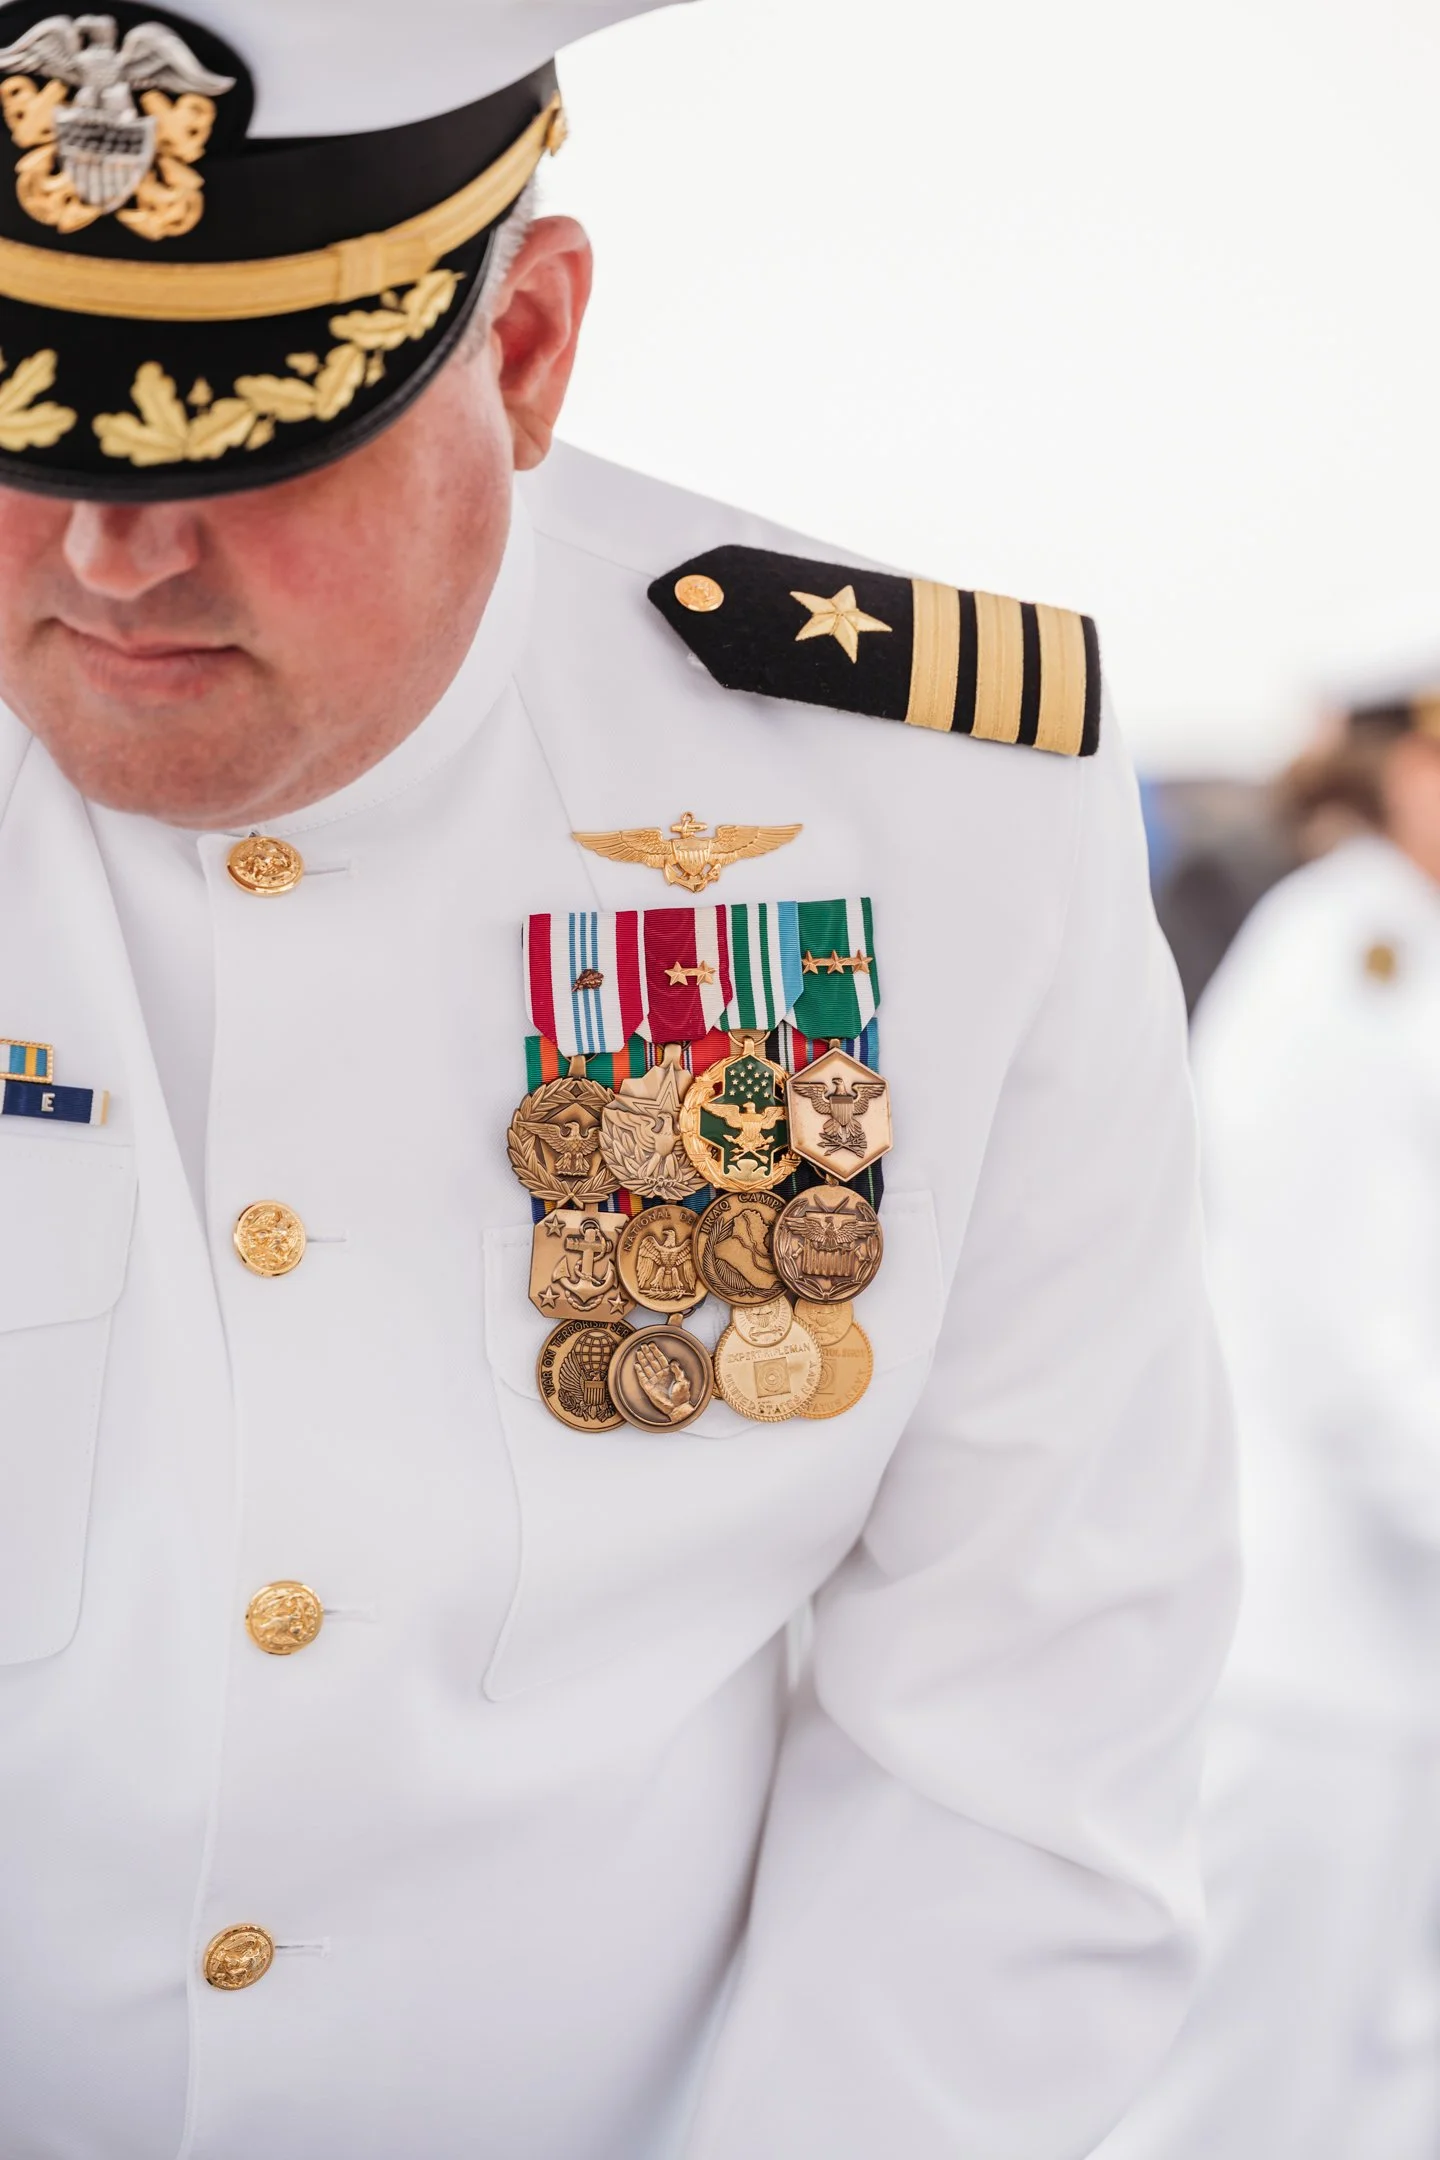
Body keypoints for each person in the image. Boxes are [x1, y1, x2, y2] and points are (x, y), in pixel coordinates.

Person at [0, 3, 1237, 2154]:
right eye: (30, 426)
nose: (115, 553)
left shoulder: (925, 818)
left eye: (239, 434)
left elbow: (1027, 1740)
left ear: (532, 347)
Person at [1094, 694, 1440, 2160]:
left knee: (1378, 2076)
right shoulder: (1351, 953)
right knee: (1241, 2093)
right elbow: (1353, 1328)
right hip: (1307, 1652)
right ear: (1406, 759)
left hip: (1391, 1651)